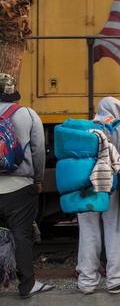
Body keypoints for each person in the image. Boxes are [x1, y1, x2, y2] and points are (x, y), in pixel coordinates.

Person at [76, 97, 120, 294]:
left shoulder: (85, 128)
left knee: (87, 231)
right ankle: (116, 280)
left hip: (85, 185)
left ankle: (86, 282)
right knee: (116, 230)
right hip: (112, 184)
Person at [0, 73, 55, 298]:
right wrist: (38, 180)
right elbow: (38, 151)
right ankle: (27, 286)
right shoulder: (27, 114)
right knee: (21, 235)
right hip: (20, 187)